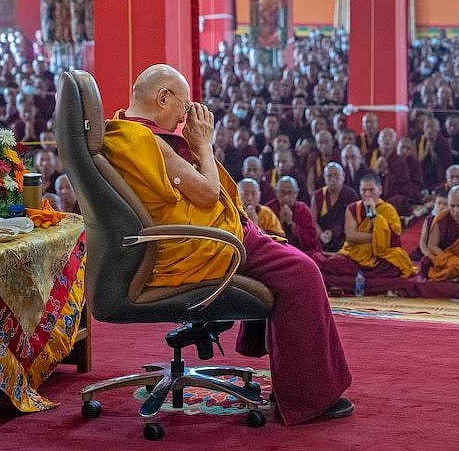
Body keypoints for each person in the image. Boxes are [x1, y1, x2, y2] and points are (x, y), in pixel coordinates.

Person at [100, 64, 352, 425]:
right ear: (163, 98)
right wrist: (203, 143)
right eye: (184, 108)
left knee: (287, 258)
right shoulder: (146, 140)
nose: (184, 117)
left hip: (182, 239)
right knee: (302, 271)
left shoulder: (121, 129)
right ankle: (307, 400)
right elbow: (205, 194)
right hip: (198, 245)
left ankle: (279, 364)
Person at [321, 173, 418, 283]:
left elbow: (393, 238)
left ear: (380, 190)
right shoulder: (353, 208)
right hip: (355, 255)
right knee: (333, 264)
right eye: (364, 190)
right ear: (359, 190)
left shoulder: (388, 210)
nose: (367, 194)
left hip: (381, 256)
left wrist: (374, 216)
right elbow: (351, 237)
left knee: (398, 263)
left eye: (372, 190)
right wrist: (379, 237)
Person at [267, 176, 325, 265]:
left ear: (296, 193)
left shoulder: (303, 210)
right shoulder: (269, 210)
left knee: (314, 259)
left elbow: (311, 241)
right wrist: (279, 223)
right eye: (282, 192)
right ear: (276, 192)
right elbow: (264, 239)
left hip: (301, 252)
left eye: (290, 193)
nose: (286, 197)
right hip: (277, 253)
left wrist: (291, 224)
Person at [311, 162, 359, 253]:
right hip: (322, 239)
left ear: (343, 176)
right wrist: (321, 235)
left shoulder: (351, 195)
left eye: (336, 175)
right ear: (324, 178)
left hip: (343, 238)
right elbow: (313, 220)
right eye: (329, 176)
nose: (333, 179)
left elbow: (355, 220)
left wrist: (333, 232)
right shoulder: (318, 196)